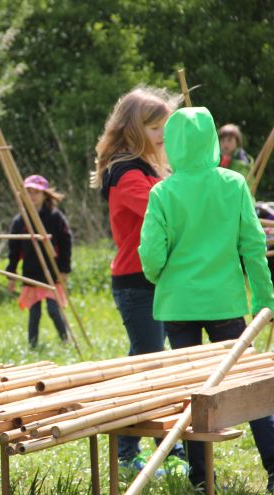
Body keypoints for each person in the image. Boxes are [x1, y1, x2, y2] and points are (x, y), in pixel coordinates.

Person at [139, 106, 274, 492]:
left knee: (192, 392)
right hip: (224, 303)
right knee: (249, 386)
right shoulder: (233, 184)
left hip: (178, 305)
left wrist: (160, 276)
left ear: (173, 144)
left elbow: (151, 254)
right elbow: (253, 246)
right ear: (212, 139)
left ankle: (200, 479)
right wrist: (265, 300)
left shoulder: (163, 191)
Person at [91, 86, 187, 472]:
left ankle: (158, 447)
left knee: (149, 364)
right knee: (149, 367)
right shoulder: (127, 173)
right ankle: (131, 452)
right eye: (154, 127)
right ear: (133, 129)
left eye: (166, 125)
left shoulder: (151, 168)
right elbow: (165, 213)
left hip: (156, 281)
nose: (163, 134)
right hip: (136, 283)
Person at [6, 175, 71, 347]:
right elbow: (13, 250)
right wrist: (11, 273)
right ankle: (32, 345)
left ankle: (65, 340)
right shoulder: (20, 220)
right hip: (31, 272)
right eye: (29, 192)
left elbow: (66, 243)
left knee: (53, 309)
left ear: (44, 195)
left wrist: (64, 269)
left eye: (36, 192)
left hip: (51, 271)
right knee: (34, 313)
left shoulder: (55, 216)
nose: (32, 196)